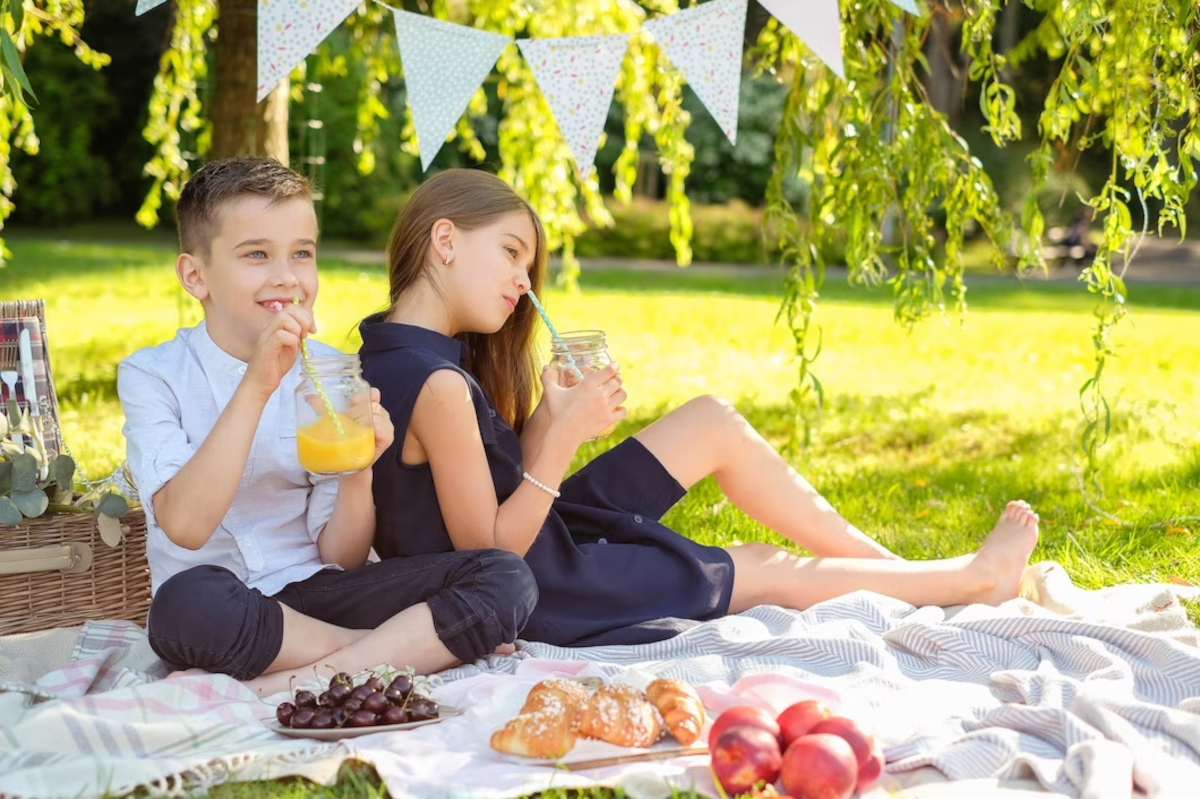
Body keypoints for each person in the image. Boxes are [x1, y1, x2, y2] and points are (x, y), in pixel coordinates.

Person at [361, 169, 1041, 648]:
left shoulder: (388, 350)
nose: (520, 280)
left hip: (543, 535)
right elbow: (491, 553)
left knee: (712, 419)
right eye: (511, 253)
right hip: (542, 586)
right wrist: (564, 436)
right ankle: (967, 579)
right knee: (756, 564)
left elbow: (480, 484)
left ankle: (908, 576)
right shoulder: (440, 383)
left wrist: (547, 413)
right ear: (444, 241)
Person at [118, 157, 537, 696]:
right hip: (224, 604)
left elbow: (342, 557)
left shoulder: (332, 371)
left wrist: (359, 468)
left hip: (314, 595)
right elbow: (186, 525)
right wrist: (257, 384)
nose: (286, 277)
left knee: (505, 578)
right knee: (181, 608)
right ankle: (382, 648)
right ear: (196, 276)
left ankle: (305, 679)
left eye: (302, 254)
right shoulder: (153, 374)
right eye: (256, 255)